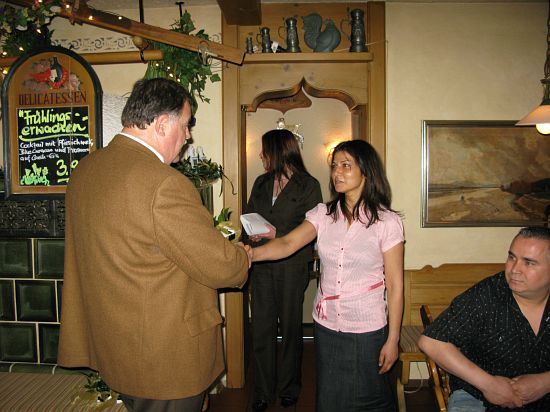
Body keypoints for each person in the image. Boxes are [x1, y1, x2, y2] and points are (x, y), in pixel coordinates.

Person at [57, 78, 251, 412]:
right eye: (186, 125)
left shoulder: (85, 170)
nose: (188, 136)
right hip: (165, 359)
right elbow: (221, 267)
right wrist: (241, 257)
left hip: (116, 346)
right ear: (161, 124)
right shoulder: (163, 183)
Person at [251, 139, 404, 411]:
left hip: (366, 328)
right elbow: (287, 243)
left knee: (370, 399)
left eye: (346, 165)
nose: (337, 173)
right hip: (327, 325)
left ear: (366, 171)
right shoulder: (324, 214)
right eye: (334, 166)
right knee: (330, 398)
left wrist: (393, 340)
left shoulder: (387, 222)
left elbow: (395, 286)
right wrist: (248, 255)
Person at [418, 226, 550, 411]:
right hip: (478, 394)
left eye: (529, 263)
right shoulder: (488, 294)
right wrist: (490, 385)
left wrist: (545, 382)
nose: (514, 269)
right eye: (512, 257)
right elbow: (431, 341)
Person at [243, 129, 322, 411]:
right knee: (261, 328)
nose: (261, 155)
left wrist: (278, 233)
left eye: (265, 151)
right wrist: (251, 233)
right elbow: (249, 215)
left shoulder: (308, 185)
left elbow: (314, 230)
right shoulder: (261, 182)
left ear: (278, 151)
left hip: (292, 266)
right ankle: (263, 391)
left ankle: (290, 387)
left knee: (290, 328)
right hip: (261, 265)